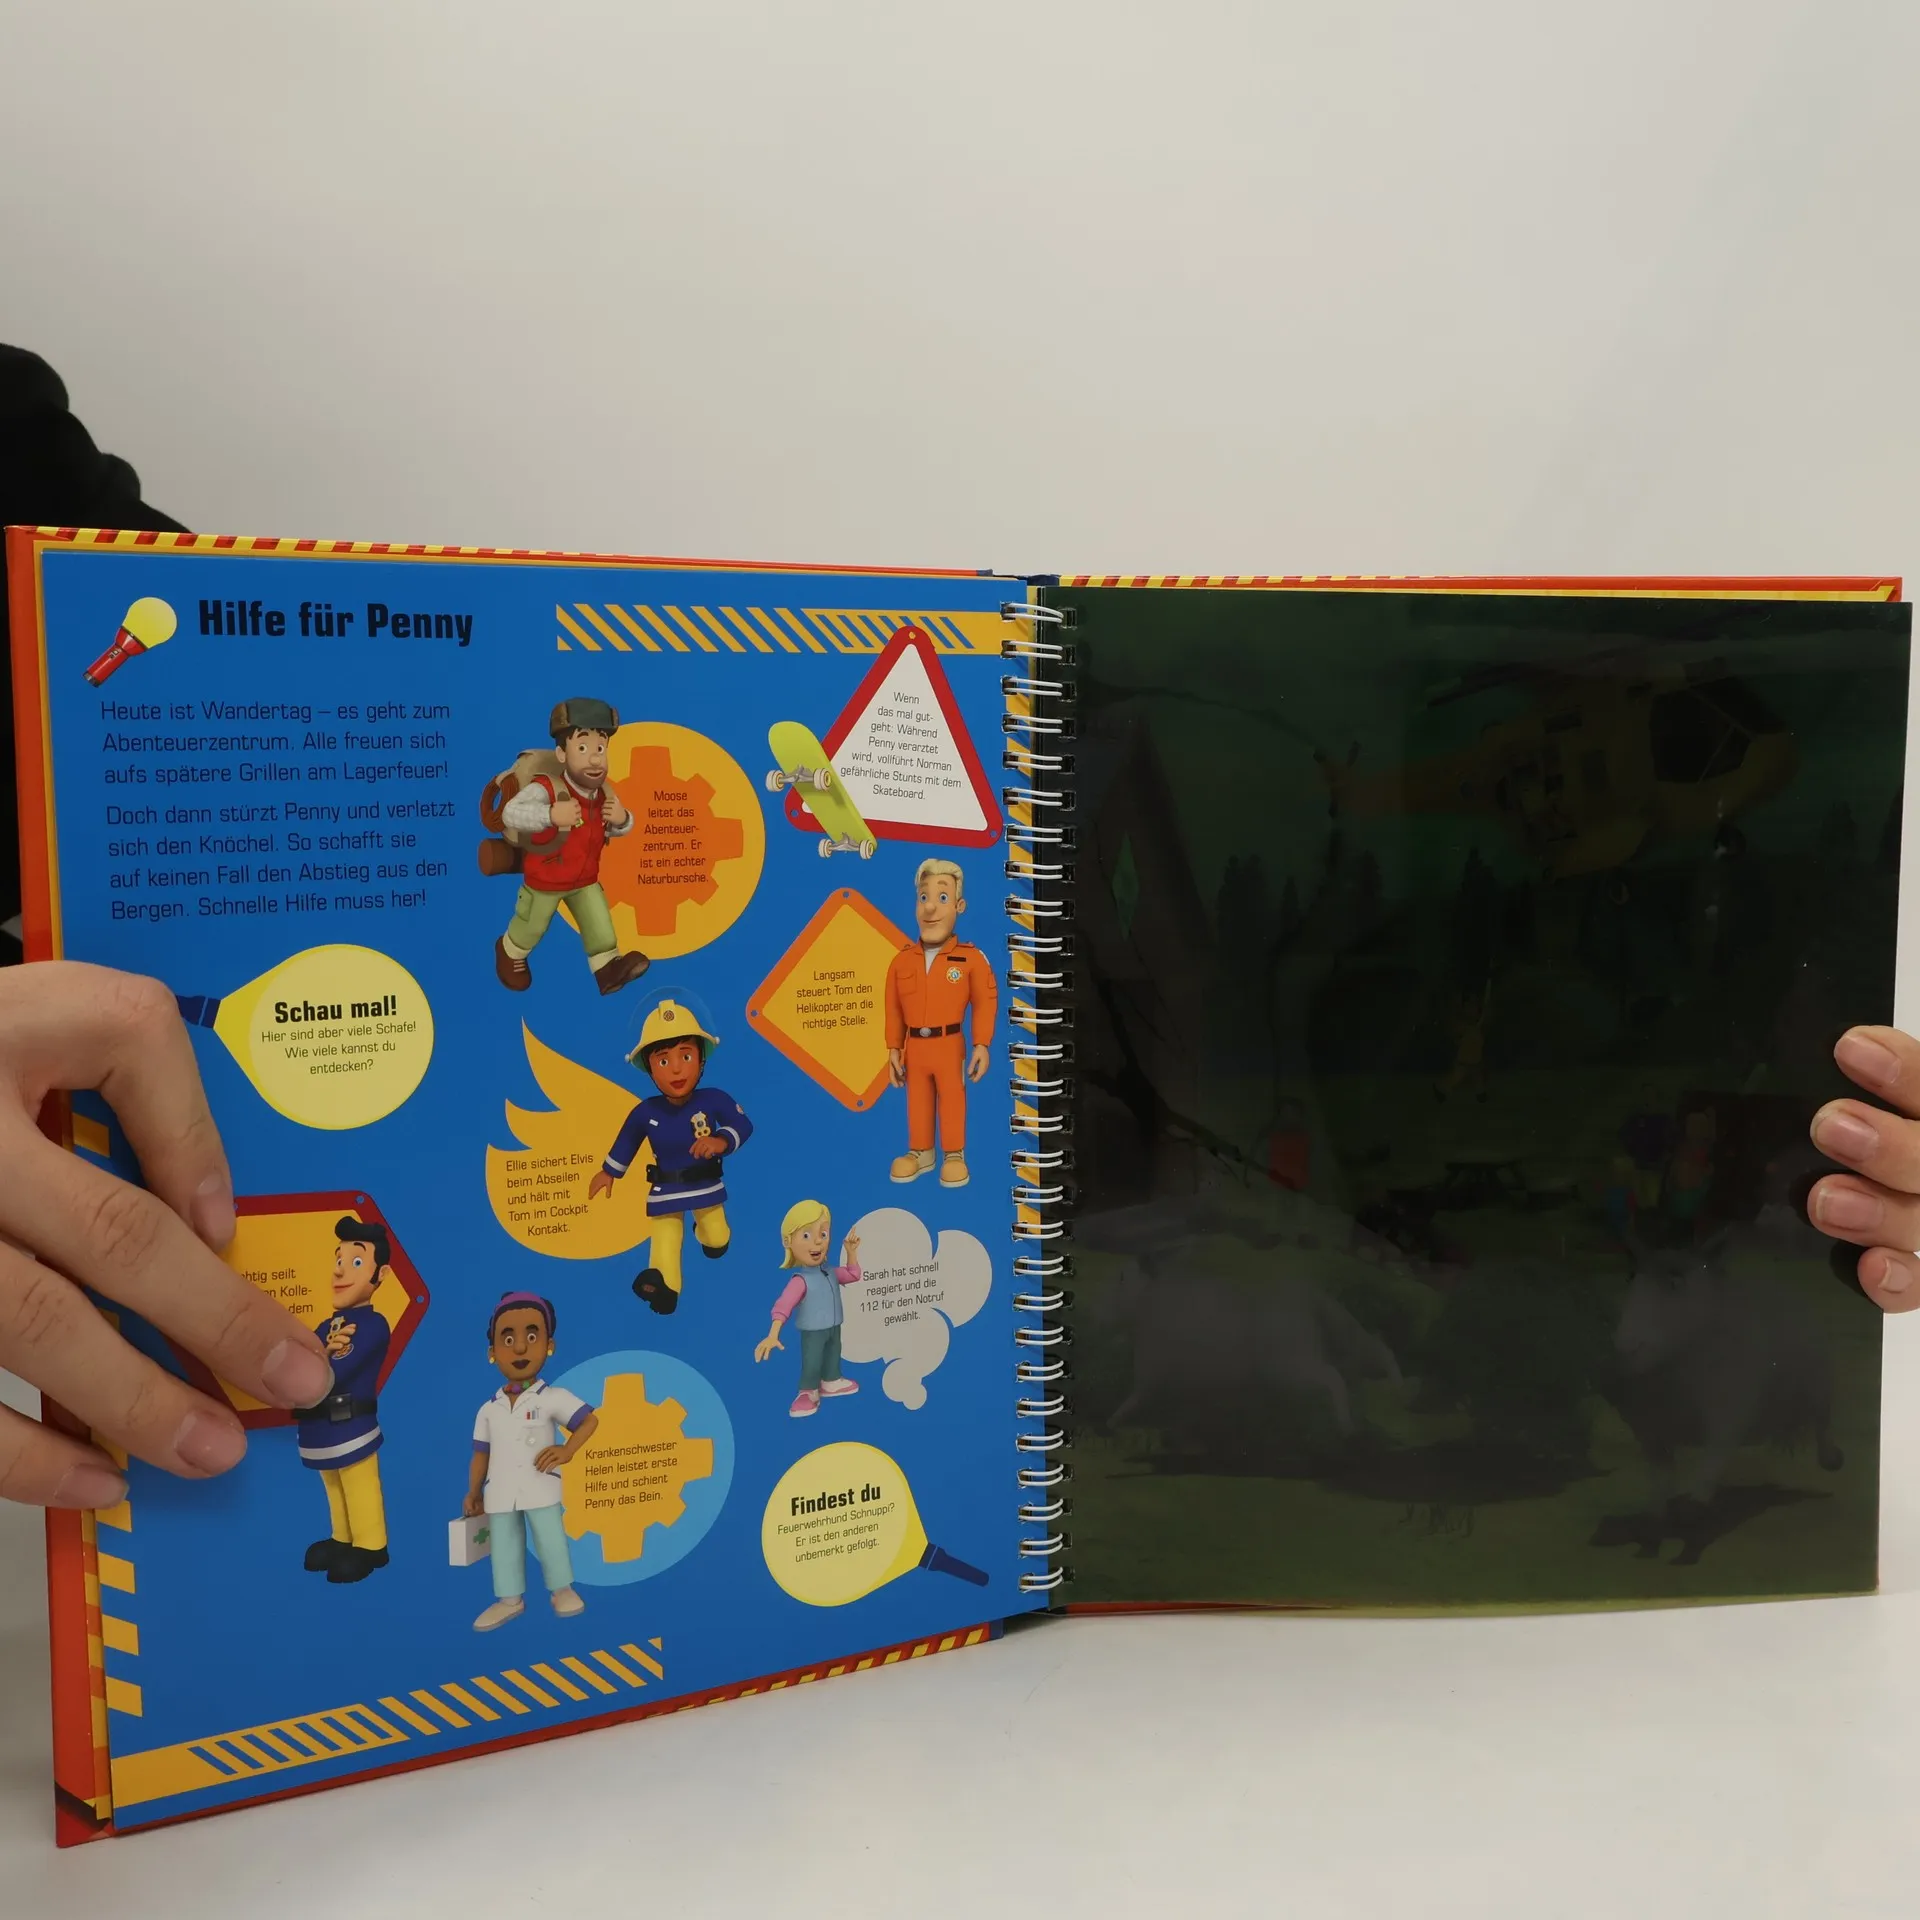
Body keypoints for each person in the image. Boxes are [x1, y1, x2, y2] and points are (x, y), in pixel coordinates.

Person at [463, 1292, 598, 1632]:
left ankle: (562, 1590)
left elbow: (588, 1421)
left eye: (532, 1336)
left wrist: (567, 1451)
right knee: (504, 1545)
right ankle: (509, 1599)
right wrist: (473, 1492)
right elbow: (481, 1453)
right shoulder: (488, 1409)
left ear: (549, 1345)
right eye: (508, 1339)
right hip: (499, 1490)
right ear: (492, 1352)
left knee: (550, 1538)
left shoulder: (552, 1398)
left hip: (540, 1485)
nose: (520, 1347)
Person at [297, 1216, 395, 1583]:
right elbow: (302, 1360)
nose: (340, 1271)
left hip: (352, 1423)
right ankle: (343, 1538)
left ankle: (370, 1545)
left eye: (355, 1261)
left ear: (380, 1274)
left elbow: (338, 1368)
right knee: (333, 1484)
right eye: (339, 1260)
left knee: (358, 1482)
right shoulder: (327, 1327)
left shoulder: (373, 1325)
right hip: (320, 1426)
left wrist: (321, 1357)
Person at [753, 1200, 863, 1417]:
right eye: (806, 1235)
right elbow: (784, 1305)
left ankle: (831, 1380)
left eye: (823, 1234)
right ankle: (807, 1392)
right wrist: (773, 1334)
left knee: (833, 1352)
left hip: (834, 1326)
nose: (817, 1242)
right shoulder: (800, 1281)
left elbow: (853, 1274)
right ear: (788, 1242)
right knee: (812, 1360)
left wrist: (851, 1252)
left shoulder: (831, 1272)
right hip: (813, 1331)